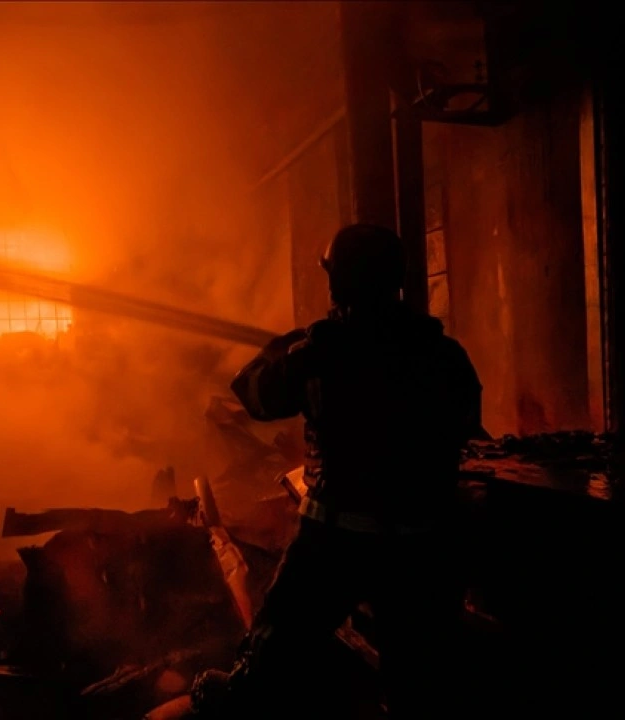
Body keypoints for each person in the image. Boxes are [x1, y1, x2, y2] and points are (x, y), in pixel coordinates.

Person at [188, 224, 483, 718]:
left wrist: (295, 348)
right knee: (421, 678)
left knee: (275, 646)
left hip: (333, 541)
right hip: (419, 542)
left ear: (340, 282)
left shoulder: (321, 355)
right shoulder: (441, 353)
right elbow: (466, 422)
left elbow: (254, 394)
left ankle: (243, 696)